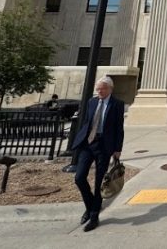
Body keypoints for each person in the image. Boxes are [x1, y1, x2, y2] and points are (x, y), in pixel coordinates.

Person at [71, 76, 124, 232]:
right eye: (98, 89)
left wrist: (117, 149)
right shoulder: (91, 102)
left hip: (104, 146)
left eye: (102, 88)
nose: (99, 91)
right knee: (79, 177)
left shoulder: (117, 104)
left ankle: (94, 216)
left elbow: (119, 128)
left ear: (110, 89)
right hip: (88, 144)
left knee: (99, 182)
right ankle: (91, 205)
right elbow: (87, 121)